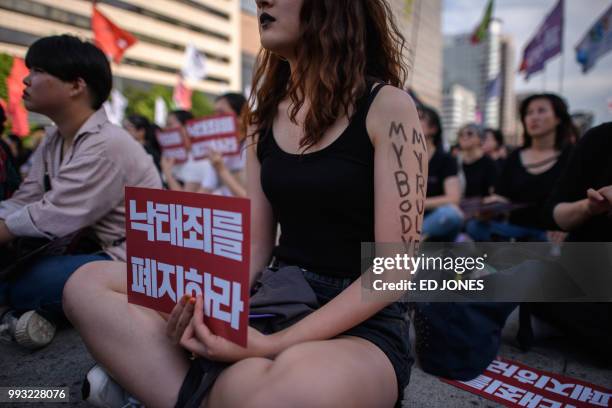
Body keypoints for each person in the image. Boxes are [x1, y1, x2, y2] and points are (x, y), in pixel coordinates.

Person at [63, 1, 426, 407]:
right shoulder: (262, 117)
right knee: (88, 283)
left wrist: (267, 345)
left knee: (284, 389)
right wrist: (209, 307)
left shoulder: (389, 106)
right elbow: (256, 247)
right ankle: (203, 384)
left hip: (362, 324)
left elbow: (395, 269)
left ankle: (169, 384)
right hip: (277, 295)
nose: (261, 1)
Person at [0, 35, 161, 348]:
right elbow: (26, 198)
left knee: (26, 282)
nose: (27, 79)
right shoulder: (54, 139)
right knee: (20, 276)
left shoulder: (106, 145)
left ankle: (45, 308)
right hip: (84, 251)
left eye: (39, 70)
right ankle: (43, 312)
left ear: (76, 86)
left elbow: (54, 215)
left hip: (130, 260)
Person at [466, 93, 573, 242]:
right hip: (514, 230)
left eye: (541, 111)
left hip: (551, 232)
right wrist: (489, 208)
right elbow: (502, 195)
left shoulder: (572, 155)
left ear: (558, 118)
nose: (533, 117)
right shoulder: (515, 156)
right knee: (475, 226)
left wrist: (567, 226)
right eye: (529, 113)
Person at [417, 106, 463, 241]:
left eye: (419, 118)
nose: (411, 120)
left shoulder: (445, 159)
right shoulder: (401, 157)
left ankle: (412, 240)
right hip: (407, 216)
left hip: (435, 218)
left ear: (433, 129)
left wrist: (416, 203)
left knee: (451, 214)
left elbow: (453, 198)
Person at [160, 110, 217, 193]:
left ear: (186, 127)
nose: (166, 129)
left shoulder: (198, 159)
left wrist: (167, 173)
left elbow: (185, 200)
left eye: (170, 125)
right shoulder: (168, 156)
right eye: (166, 125)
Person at [207, 93, 248, 197]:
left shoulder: (252, 146)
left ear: (241, 116)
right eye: (214, 113)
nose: (215, 119)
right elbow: (205, 189)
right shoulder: (219, 147)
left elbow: (247, 199)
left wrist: (221, 169)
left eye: (221, 113)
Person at [457, 124, 498, 199]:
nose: (464, 137)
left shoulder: (489, 164)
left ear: (481, 139)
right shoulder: (454, 162)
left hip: (480, 208)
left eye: (470, 134)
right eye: (460, 134)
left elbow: (494, 194)